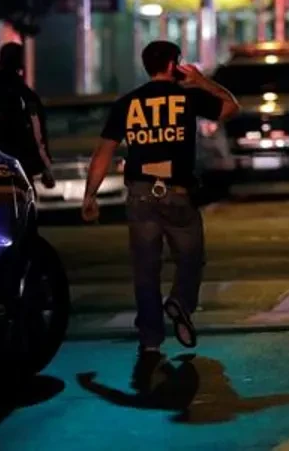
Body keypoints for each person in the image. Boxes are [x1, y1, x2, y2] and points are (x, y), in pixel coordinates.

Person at [81, 40, 238, 352]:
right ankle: (180, 302)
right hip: (177, 192)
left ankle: (150, 339)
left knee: (145, 269)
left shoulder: (127, 103)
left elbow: (103, 153)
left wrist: (90, 196)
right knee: (191, 258)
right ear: (172, 65)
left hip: (140, 194)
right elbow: (231, 107)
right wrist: (202, 81)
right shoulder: (188, 97)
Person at [0, 42, 55, 188]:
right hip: (19, 169)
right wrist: (46, 167)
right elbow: (37, 134)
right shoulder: (24, 96)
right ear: (20, 63)